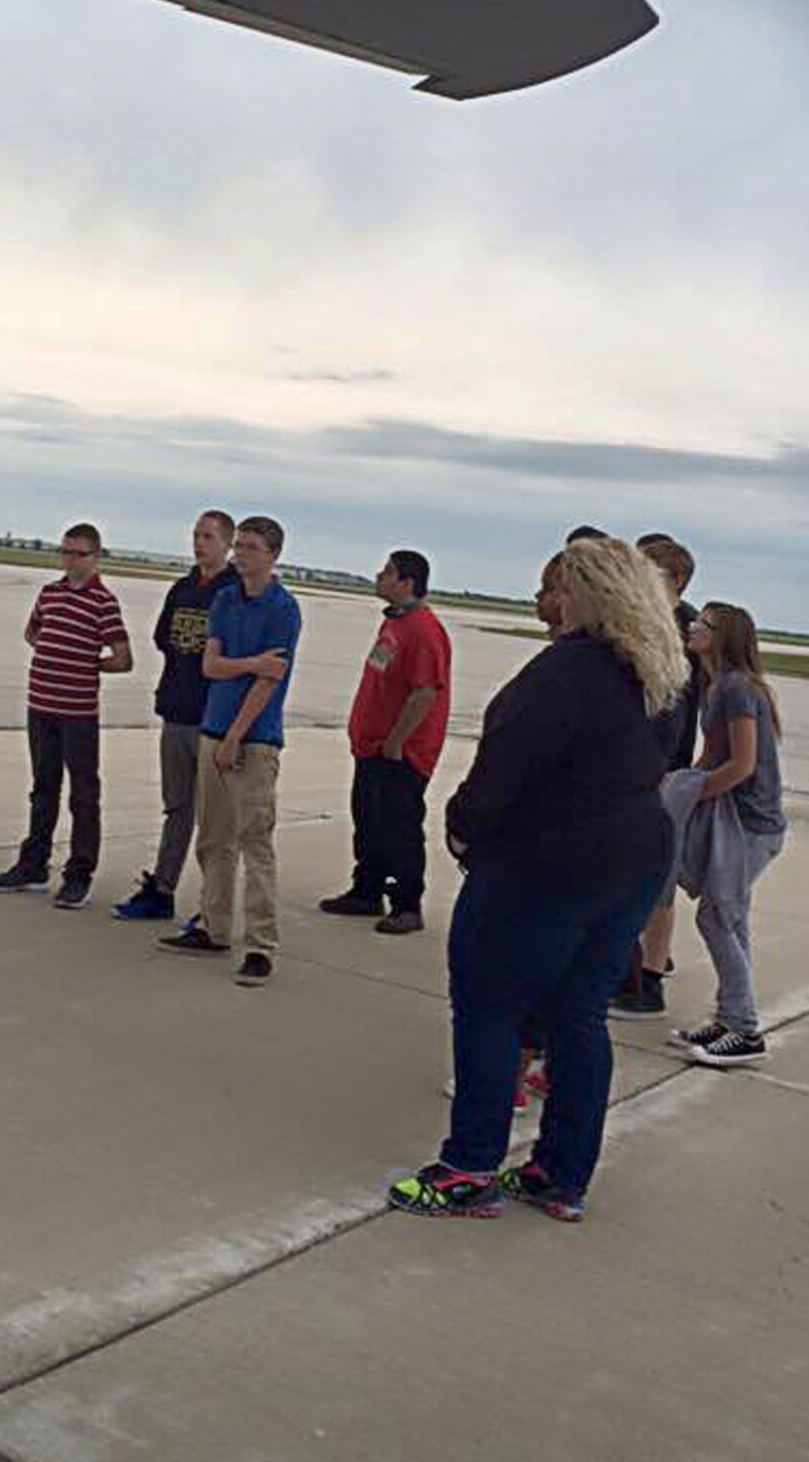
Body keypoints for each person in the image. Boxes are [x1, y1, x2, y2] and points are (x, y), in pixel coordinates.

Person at [389, 538, 687, 1221]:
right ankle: (560, 1173)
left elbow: (503, 767)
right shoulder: (659, 674)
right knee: (578, 1017)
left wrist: (463, 826)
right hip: (631, 861)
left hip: (544, 868)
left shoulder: (565, 671)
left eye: (563, 588)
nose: (553, 601)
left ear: (590, 596)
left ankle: (467, 1167)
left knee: (490, 1009)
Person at [159, 516, 300, 985]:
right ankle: (213, 925)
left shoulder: (283, 608)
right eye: (238, 546)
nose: (241, 554)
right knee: (213, 838)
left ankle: (261, 943)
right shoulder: (224, 599)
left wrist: (238, 735)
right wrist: (248, 663)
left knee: (255, 840)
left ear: (273, 554)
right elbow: (212, 666)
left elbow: (269, 679)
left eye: (251, 547)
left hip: (254, 739)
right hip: (212, 729)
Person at [0, 523, 132, 909]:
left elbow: (123, 658)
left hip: (78, 712)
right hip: (41, 706)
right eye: (65, 552)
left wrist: (87, 663)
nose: (69, 560)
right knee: (42, 789)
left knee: (83, 795)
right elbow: (33, 631)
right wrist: (50, 653)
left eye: (78, 554)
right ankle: (34, 865)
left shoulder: (103, 601)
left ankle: (79, 873)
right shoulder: (49, 593)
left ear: (95, 557)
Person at [670, 602, 785, 1065]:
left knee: (716, 918)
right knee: (730, 920)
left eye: (705, 625)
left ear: (725, 638)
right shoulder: (715, 684)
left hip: (750, 824)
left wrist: (691, 795)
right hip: (736, 820)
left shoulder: (736, 688)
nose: (694, 627)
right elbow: (712, 755)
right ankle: (729, 1017)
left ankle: (745, 1029)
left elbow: (742, 764)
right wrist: (685, 782)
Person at [113, 510, 238, 921]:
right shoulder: (183, 587)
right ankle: (162, 889)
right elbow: (165, 637)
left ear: (227, 543)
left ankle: (212, 906)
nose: (199, 543)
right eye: (196, 535)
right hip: (177, 711)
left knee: (215, 819)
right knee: (177, 807)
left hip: (213, 720)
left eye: (208, 537)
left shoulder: (234, 592)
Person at [319, 550, 451, 934]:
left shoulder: (424, 630)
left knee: (400, 827)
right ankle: (367, 890)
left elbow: (425, 692)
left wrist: (397, 740)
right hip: (371, 746)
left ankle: (407, 903)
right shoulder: (395, 624)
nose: (379, 576)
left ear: (407, 582)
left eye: (388, 572)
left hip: (400, 752)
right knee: (369, 820)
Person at [611, 534, 702, 1017]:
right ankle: (646, 967)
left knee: (655, 882)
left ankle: (646, 979)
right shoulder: (658, 625)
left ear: (677, 581)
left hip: (664, 770)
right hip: (654, 767)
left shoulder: (679, 633)